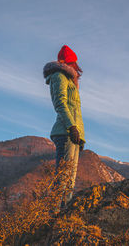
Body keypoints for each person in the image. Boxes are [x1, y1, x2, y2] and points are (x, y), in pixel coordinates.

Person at [43, 45, 85, 209]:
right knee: (63, 177)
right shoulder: (59, 76)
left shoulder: (69, 80)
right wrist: (71, 127)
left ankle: (63, 215)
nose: (76, 67)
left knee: (70, 179)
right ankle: (52, 216)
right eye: (74, 63)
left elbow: (76, 111)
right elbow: (60, 104)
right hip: (65, 132)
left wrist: (80, 136)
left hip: (73, 133)